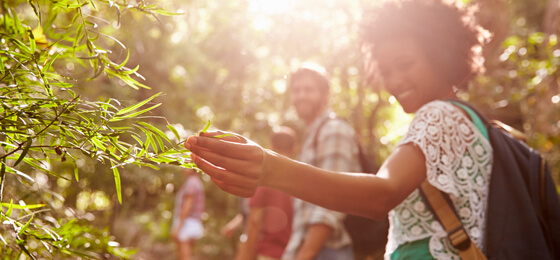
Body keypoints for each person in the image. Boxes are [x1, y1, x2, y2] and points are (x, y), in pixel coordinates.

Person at [184, 0, 492, 259]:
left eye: (405, 64)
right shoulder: (460, 120)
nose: (394, 80)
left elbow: (381, 195)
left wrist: (269, 167)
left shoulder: (440, 115)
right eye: (386, 70)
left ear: (442, 55)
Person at [284, 63, 359, 260]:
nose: (301, 96)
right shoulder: (312, 136)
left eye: (308, 90)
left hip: (326, 252)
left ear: (325, 94)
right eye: (296, 90)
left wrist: (305, 254)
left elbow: (333, 201)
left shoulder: (333, 130)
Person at [235, 126, 296, 260]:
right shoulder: (301, 182)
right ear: (293, 149)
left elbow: (254, 223)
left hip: (268, 254)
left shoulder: (266, 180)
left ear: (272, 147)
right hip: (294, 253)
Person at [172, 168, 206, 260]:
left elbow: (187, 206)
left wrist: (178, 227)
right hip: (192, 222)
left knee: (185, 256)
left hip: (187, 223)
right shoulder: (196, 182)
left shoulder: (191, 183)